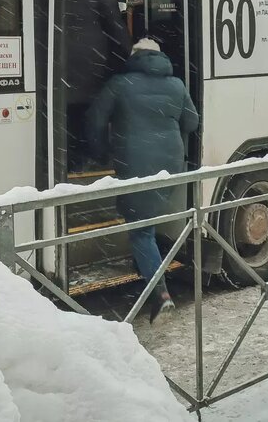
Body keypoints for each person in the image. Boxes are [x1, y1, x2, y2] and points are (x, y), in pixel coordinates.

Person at [86, 38, 199, 325]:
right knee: (146, 222)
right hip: (170, 163)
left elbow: (95, 120)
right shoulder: (177, 84)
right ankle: (147, 269)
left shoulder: (120, 83)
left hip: (134, 163)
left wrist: (98, 153)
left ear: (134, 57)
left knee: (141, 231)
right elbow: (192, 123)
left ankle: (160, 295)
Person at [64, 0, 129, 172]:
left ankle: (66, 159)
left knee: (65, 114)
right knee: (89, 115)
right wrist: (124, 56)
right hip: (92, 64)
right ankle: (86, 159)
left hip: (55, 64)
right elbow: (115, 26)